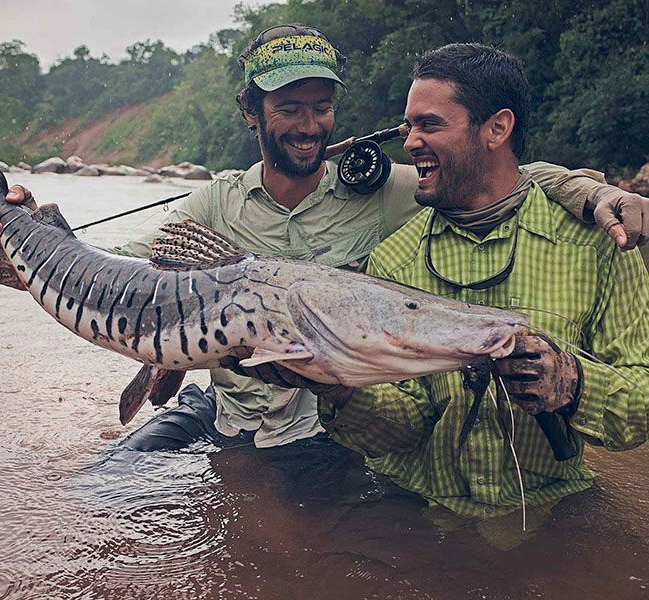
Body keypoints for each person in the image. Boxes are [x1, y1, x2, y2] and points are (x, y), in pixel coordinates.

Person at [0, 25, 649, 454]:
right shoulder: (212, 203)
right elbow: (116, 278)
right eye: (288, 108)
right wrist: (14, 246)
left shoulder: (395, 193)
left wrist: (595, 192)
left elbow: (499, 178)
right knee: (104, 492)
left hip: (326, 430)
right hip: (226, 416)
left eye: (321, 108)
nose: (309, 125)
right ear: (252, 114)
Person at [273, 42, 649, 517]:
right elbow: (402, 429)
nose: (409, 142)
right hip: (417, 511)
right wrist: (336, 386)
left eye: (429, 125)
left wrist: (571, 383)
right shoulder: (393, 258)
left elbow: (641, 409)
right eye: (409, 127)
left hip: (553, 506)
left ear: (496, 128)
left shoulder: (599, 243)